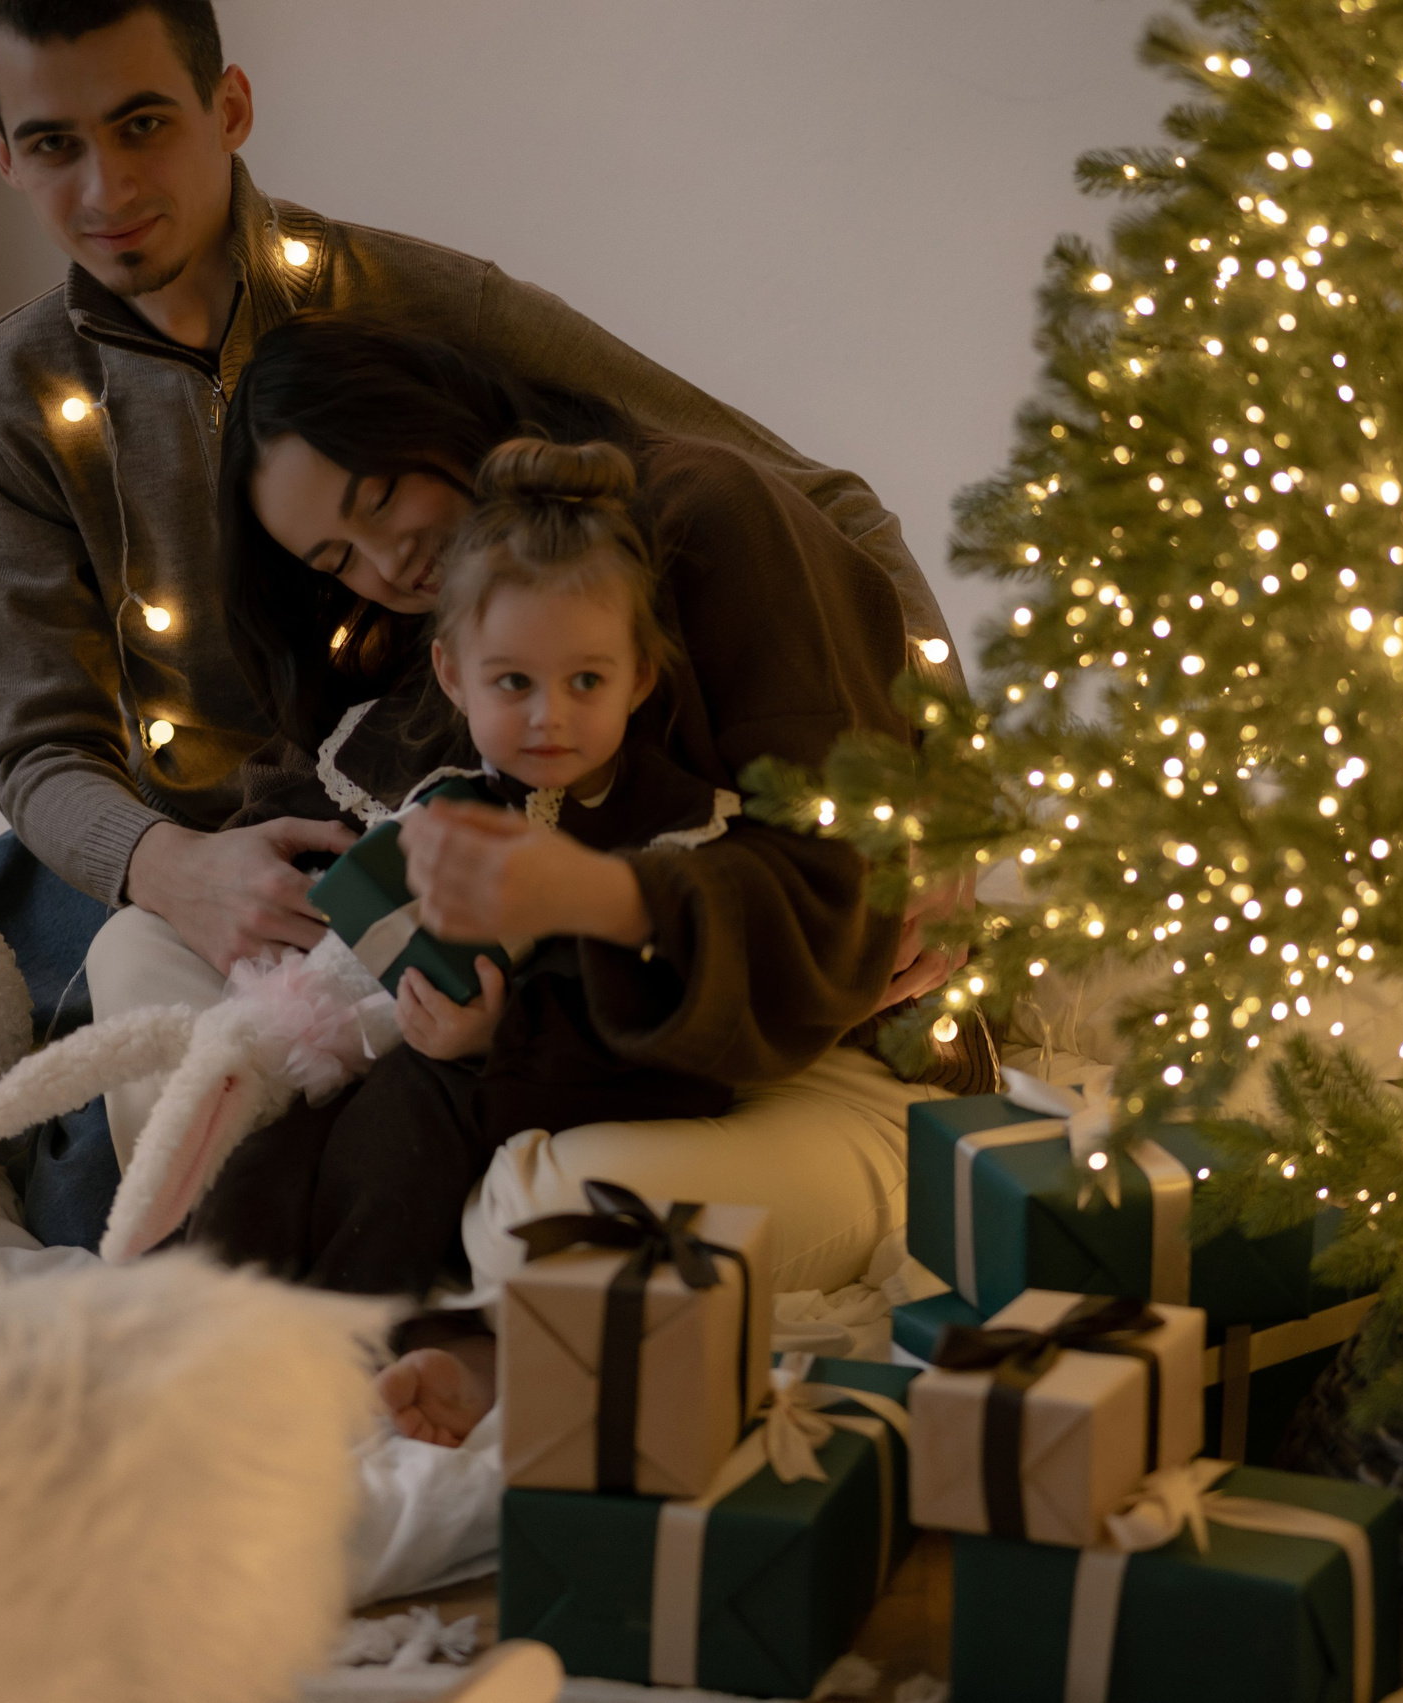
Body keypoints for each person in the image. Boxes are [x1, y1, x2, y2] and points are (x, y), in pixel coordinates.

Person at [0, 0, 964, 1243]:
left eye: (142, 124)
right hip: (284, 865)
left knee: (493, 1177)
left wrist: (948, 803)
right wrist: (169, 867)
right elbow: (37, 745)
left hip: (560, 926)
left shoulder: (420, 313)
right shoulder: (12, 397)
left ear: (229, 107)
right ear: (2, 152)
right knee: (104, 1000)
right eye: (54, 143)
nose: (106, 187)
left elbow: (819, 506)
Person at [83, 314, 990, 1445]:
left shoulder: (703, 521)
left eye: (380, 502)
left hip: (803, 1062)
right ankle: (276, 1292)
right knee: (138, 950)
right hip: (519, 1062)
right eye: (335, 560)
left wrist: (577, 915)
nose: (385, 568)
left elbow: (831, 907)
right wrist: (215, 876)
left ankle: (461, 1334)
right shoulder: (438, 627)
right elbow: (333, 807)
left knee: (551, 1204)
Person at [185, 436, 747, 1298]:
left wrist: (498, 1037)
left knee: (412, 1108)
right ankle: (199, 1300)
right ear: (453, 676)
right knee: (284, 1121)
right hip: (441, 1035)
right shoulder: (452, 797)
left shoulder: (669, 827)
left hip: (598, 1068)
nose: (549, 716)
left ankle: (349, 1321)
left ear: (638, 679)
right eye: (514, 682)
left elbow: (670, 1022)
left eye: (586, 682)